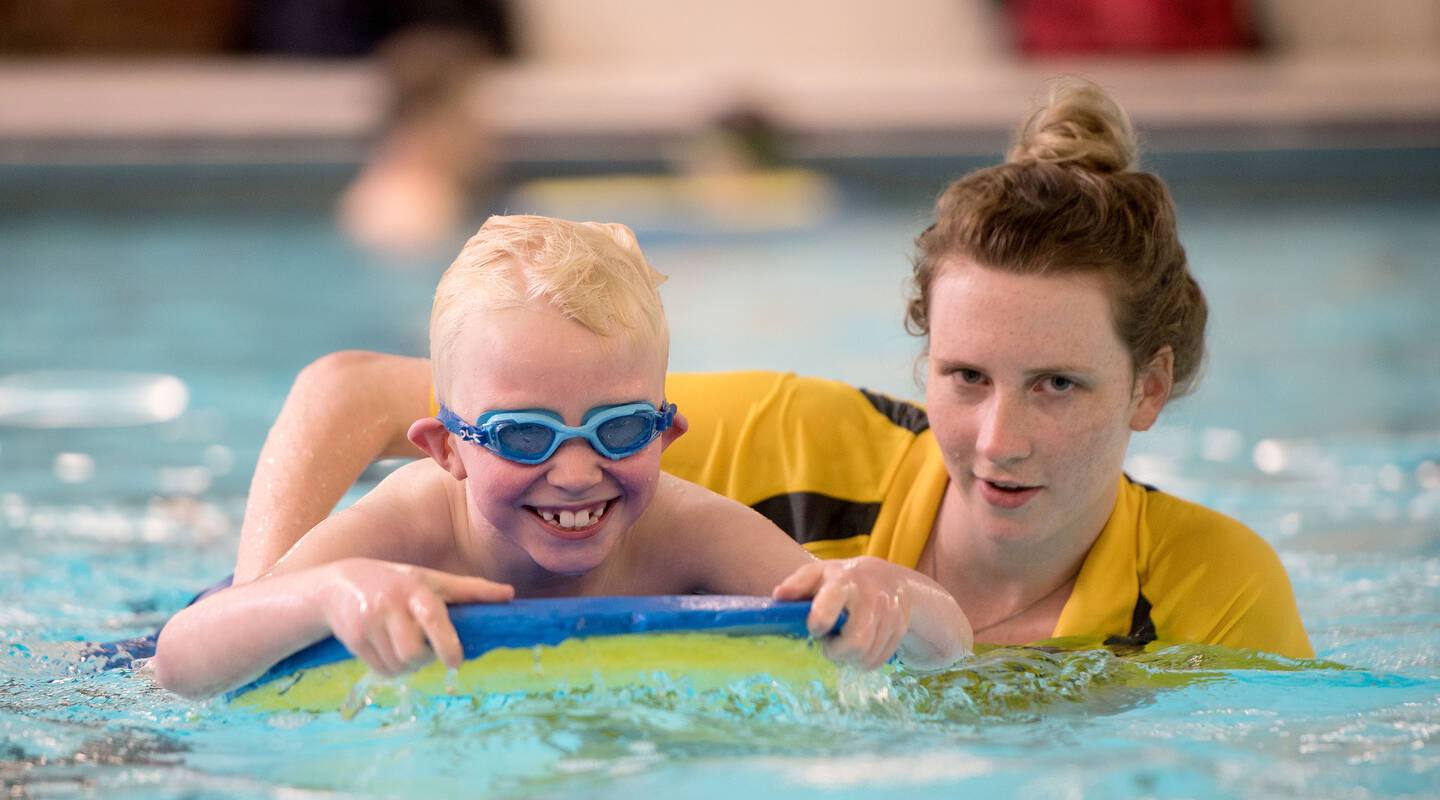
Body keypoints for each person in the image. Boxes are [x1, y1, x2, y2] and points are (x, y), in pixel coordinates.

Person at [229, 80, 1313, 659]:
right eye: (966, 377)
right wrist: (267, 628)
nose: (999, 439)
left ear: (1152, 387)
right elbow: (351, 390)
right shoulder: (792, 442)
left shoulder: (1216, 592)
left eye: (1060, 385)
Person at [152, 216, 970, 698]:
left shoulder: (689, 533)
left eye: (617, 431)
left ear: (666, 434)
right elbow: (181, 661)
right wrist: (331, 591)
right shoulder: (403, 530)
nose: (576, 475)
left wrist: (888, 592)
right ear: (447, 451)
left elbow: (949, 646)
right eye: (521, 436)